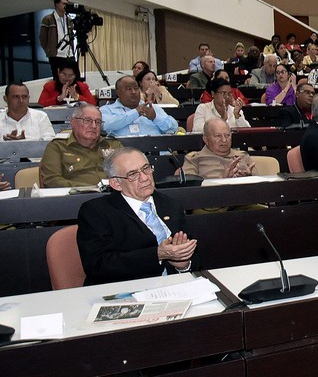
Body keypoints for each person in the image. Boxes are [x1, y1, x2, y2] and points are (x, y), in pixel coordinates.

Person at [77, 147, 198, 286]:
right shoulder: (96, 211)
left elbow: (195, 257)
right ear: (116, 184)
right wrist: (157, 254)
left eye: (146, 168)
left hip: (172, 287)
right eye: (133, 174)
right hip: (122, 289)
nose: (145, 178)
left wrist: (183, 264)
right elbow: (98, 265)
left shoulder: (170, 205)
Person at [40, 104, 122, 187]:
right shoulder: (58, 147)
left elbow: (129, 172)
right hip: (76, 197)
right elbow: (52, 180)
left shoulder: (113, 145)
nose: (94, 126)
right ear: (73, 122)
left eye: (98, 122)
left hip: (112, 194)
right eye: (87, 120)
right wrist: (88, 189)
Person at [100, 76, 179, 137]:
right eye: (129, 89)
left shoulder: (152, 108)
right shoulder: (107, 110)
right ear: (118, 92)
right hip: (125, 155)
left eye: (136, 88)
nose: (134, 92)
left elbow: (173, 128)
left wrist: (155, 118)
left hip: (158, 154)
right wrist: (135, 113)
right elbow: (106, 126)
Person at [183, 119, 256, 178]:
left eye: (227, 135)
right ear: (205, 139)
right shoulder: (194, 159)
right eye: (218, 136)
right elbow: (189, 189)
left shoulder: (242, 156)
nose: (224, 140)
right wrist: (222, 180)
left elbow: (261, 186)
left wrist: (250, 178)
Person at [39, 0, 76, 80]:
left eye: (67, 4)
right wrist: (49, 50)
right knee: (58, 79)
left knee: (73, 77)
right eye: (63, 3)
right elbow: (42, 38)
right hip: (56, 54)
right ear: (57, 4)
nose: (65, 6)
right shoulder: (48, 19)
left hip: (69, 54)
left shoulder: (69, 20)